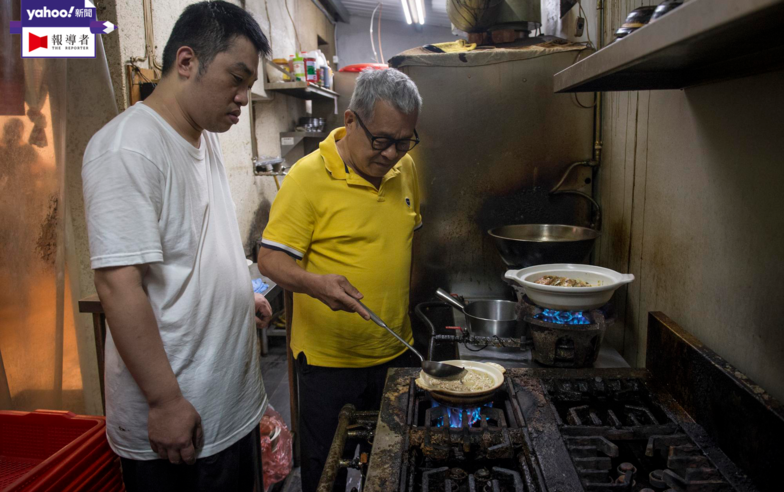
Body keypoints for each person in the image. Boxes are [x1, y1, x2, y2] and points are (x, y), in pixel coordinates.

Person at [81, 3, 272, 490]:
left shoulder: (201, 134)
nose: (243, 97)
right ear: (187, 62)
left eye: (248, 85)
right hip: (182, 424)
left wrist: (234, 298)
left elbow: (192, 248)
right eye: (237, 78)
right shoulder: (127, 149)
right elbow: (118, 285)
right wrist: (165, 402)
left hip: (229, 403)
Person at [258, 68, 423, 492]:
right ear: (351, 121)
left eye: (404, 142)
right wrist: (316, 285)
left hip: (395, 352)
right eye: (381, 140)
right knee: (328, 473)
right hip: (330, 366)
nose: (392, 154)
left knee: (393, 466)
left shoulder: (406, 169)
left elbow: (405, 241)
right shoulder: (306, 178)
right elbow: (269, 259)